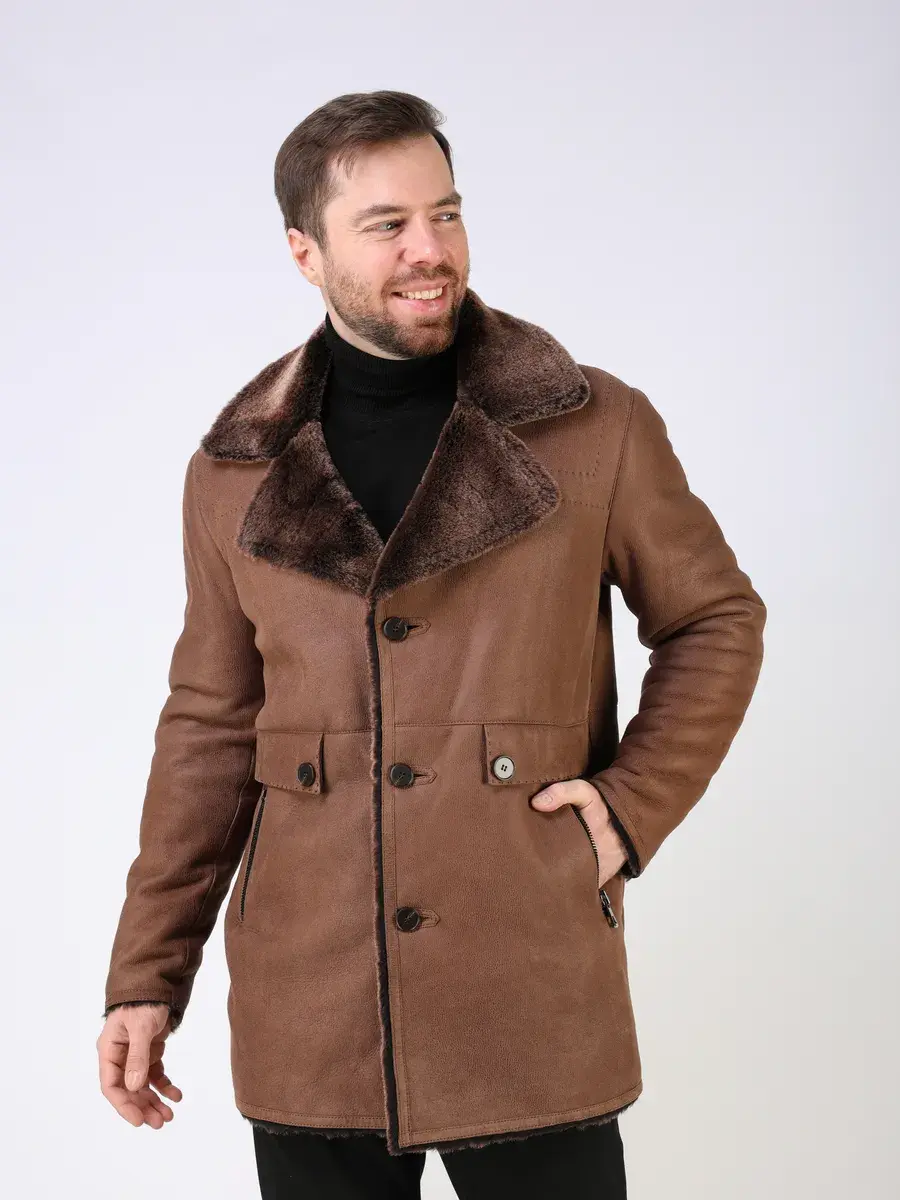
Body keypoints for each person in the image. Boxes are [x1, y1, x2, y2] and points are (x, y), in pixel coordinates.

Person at [98, 90, 766, 1198]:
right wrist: (146, 975)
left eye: (446, 213)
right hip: (312, 999)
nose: (430, 249)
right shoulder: (234, 470)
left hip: (528, 976)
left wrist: (629, 805)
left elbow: (715, 621)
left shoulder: (593, 426)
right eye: (388, 224)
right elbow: (210, 726)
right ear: (305, 253)